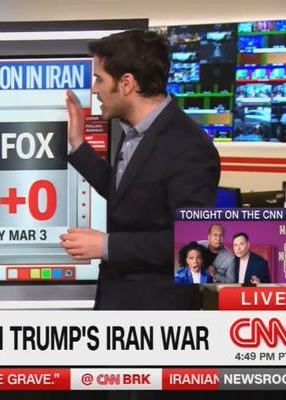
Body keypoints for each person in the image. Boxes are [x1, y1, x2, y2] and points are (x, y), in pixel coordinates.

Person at [59, 30, 221, 311]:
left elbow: (192, 242)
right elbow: (129, 195)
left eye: (99, 79)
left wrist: (107, 246)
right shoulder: (134, 131)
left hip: (156, 313)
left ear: (127, 83)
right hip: (117, 303)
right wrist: (78, 145)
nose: (95, 89)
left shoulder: (190, 148)